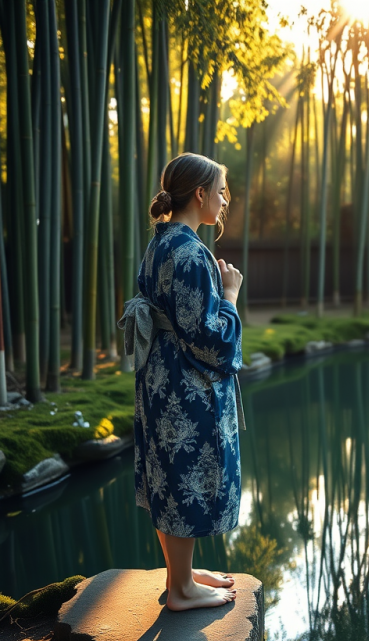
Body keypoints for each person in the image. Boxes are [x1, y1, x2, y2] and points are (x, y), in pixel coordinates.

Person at [118, 153, 244, 611]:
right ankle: (182, 591)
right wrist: (229, 294)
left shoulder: (162, 242)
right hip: (185, 383)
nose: (224, 200)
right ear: (200, 194)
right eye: (221, 191)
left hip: (159, 376)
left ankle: (182, 574)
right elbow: (210, 337)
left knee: (166, 473)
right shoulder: (191, 253)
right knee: (186, 474)